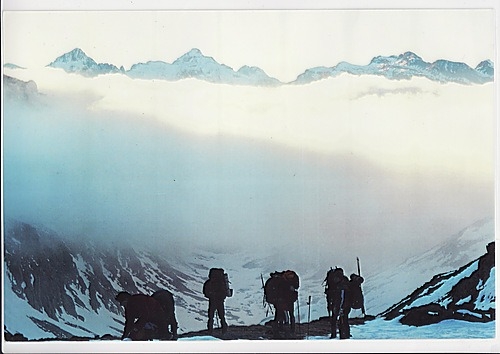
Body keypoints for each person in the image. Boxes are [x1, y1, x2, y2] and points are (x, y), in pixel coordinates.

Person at [264, 270, 299, 338]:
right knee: (289, 315)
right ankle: (290, 330)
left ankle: (279, 330)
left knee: (279, 315)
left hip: (279, 300)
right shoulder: (288, 281)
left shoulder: (279, 280)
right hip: (288, 300)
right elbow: (295, 287)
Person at [324, 268, 351, 339]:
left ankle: (335, 334)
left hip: (336, 303)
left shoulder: (334, 283)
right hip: (343, 304)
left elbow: (333, 295)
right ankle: (345, 334)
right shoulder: (344, 281)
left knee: (334, 318)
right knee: (344, 319)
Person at [202, 268, 230, 334]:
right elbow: (224, 293)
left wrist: (211, 295)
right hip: (220, 301)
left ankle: (210, 330)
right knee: (221, 316)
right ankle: (224, 329)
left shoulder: (209, 282)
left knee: (211, 316)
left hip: (212, 301)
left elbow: (205, 292)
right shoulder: (221, 283)